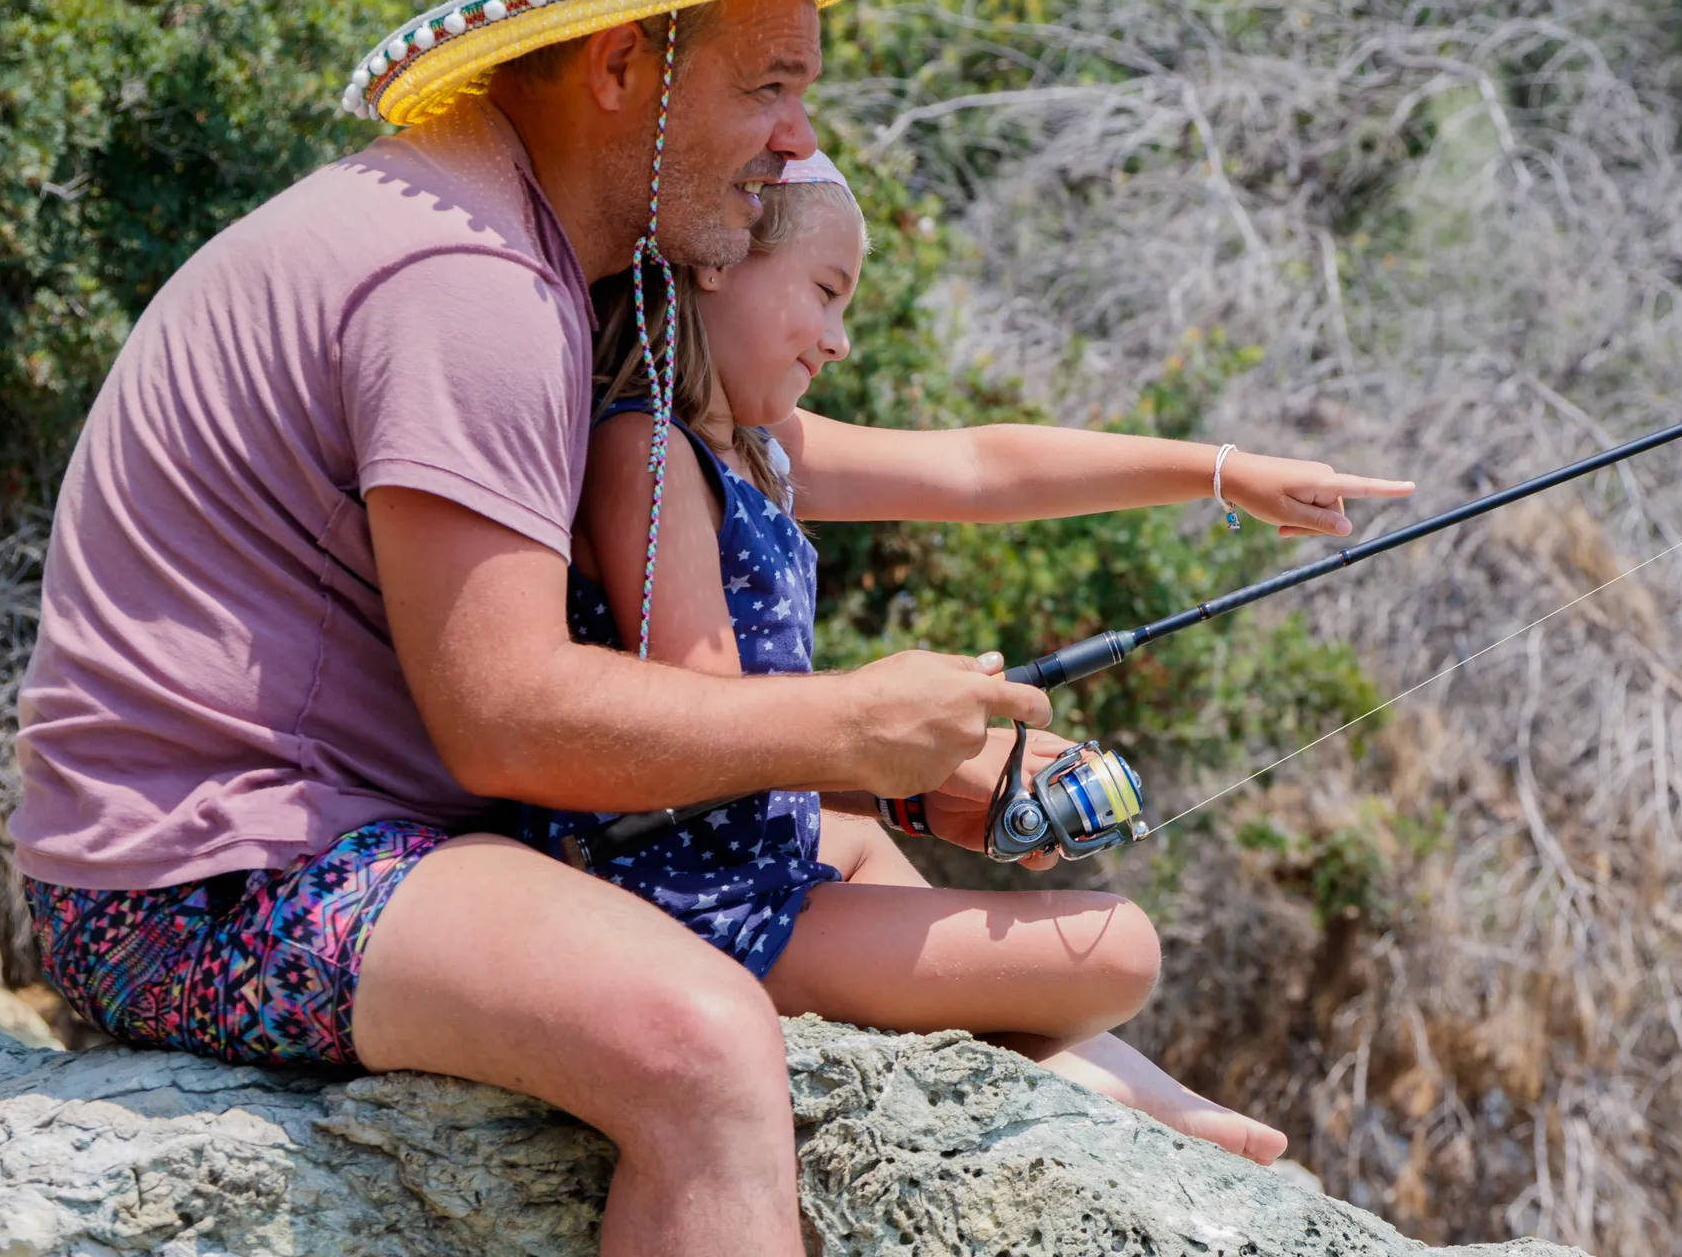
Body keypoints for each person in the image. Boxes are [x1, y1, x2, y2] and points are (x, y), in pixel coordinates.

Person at [4, 0, 1369, 1256]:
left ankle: (1087, 1083)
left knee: (833, 857)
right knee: (705, 1046)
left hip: (310, 841)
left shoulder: (521, 253)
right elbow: (505, 718)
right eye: (769, 84)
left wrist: (896, 777)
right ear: (618, 66)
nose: (798, 140)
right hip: (204, 886)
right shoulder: (471, 287)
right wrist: (851, 726)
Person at [519, 153, 1409, 1164]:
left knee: (889, 862)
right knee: (1119, 949)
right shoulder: (650, 450)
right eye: (825, 291)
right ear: (718, 260)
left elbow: (977, 466)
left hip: (758, 862)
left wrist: (1221, 471)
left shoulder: (757, 446)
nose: (840, 338)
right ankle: (1090, 1081)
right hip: (696, 907)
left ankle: (1124, 1089)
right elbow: (701, 719)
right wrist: (907, 750)